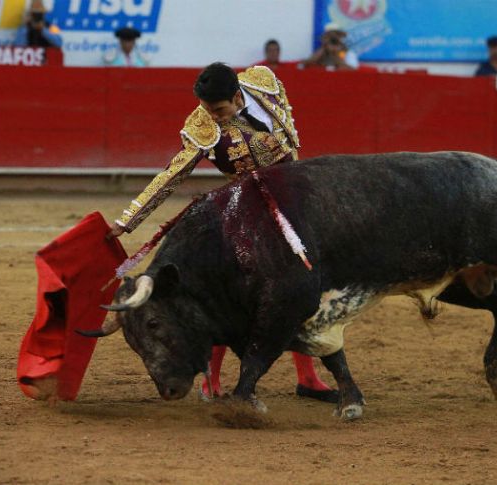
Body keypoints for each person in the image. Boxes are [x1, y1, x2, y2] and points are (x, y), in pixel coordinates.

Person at [107, 62, 339, 403]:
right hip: (247, 210)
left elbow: (288, 137)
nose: (211, 116)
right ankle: (210, 381)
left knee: (299, 291)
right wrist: (128, 220)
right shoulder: (201, 126)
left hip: (293, 201)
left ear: (236, 95)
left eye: (218, 109)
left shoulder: (264, 81)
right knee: (225, 297)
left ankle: (308, 378)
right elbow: (171, 176)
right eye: (206, 109)